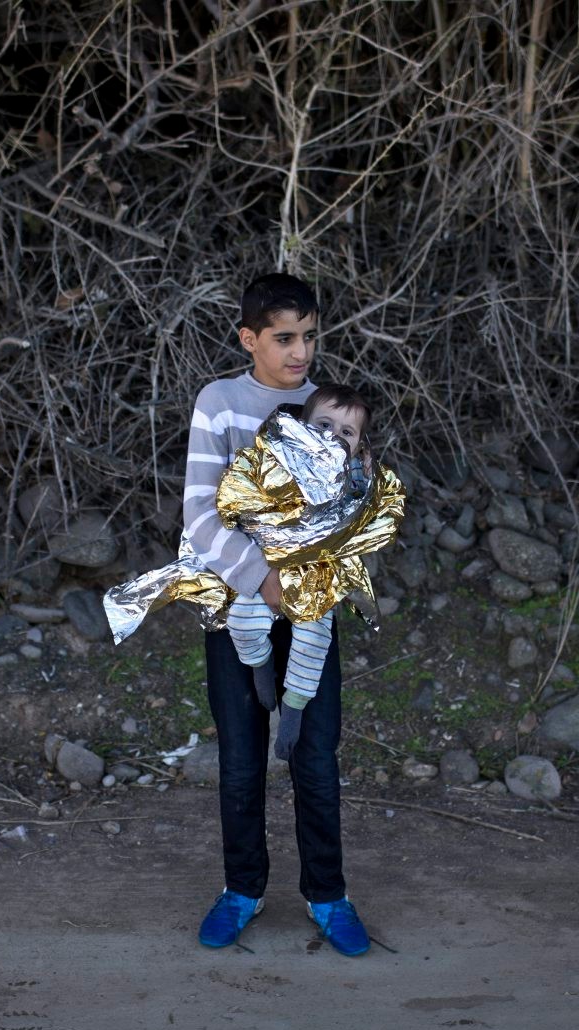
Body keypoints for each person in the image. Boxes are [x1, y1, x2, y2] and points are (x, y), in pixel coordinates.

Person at [183, 272, 374, 956]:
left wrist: (320, 572)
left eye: (310, 336)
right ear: (249, 339)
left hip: (313, 606)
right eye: (284, 338)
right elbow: (199, 513)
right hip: (238, 602)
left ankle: (328, 896)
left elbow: (356, 497)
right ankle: (243, 890)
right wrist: (261, 580)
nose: (300, 352)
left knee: (314, 759)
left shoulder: (327, 404)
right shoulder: (220, 402)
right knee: (241, 762)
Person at [221, 384, 378, 765]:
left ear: (358, 446)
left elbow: (363, 516)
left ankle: (293, 709)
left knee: (312, 639)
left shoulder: (354, 474)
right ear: (303, 425)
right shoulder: (278, 454)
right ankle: (260, 667)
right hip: (268, 566)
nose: (333, 436)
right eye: (324, 424)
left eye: (346, 432)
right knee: (241, 621)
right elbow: (244, 492)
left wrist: (361, 477)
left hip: (316, 574)